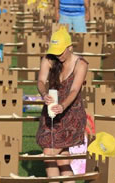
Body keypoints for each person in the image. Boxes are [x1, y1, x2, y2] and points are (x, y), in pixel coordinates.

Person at [36, 26, 88, 183]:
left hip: (71, 114)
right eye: (55, 51)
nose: (58, 55)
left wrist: (63, 106)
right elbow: (40, 81)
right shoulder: (49, 59)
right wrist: (44, 94)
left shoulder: (81, 64)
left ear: (70, 47)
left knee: (49, 153)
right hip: (52, 113)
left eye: (61, 52)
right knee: (62, 159)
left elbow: (74, 90)